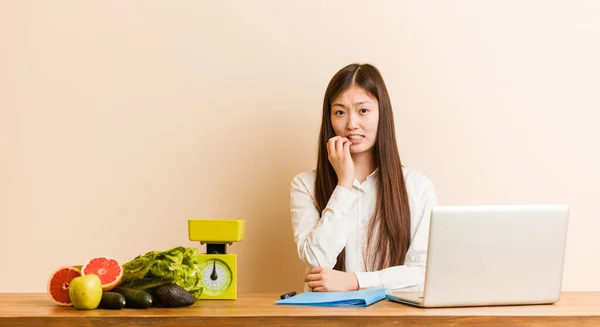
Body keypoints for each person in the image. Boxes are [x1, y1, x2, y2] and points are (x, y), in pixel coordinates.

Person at [289, 63, 438, 293]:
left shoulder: (416, 187)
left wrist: (355, 281)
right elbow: (317, 263)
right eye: (340, 112)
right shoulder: (305, 185)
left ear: (382, 114)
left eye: (363, 111)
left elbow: (422, 273)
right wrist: (344, 184)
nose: (351, 124)